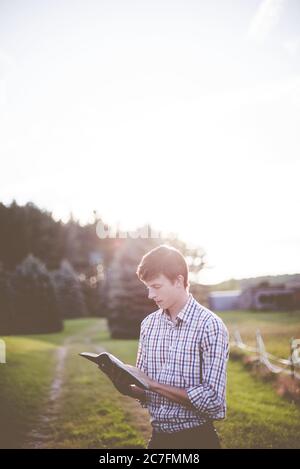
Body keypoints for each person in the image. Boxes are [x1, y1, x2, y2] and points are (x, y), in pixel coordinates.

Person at [115, 244, 229, 449]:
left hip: (198, 440)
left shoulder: (210, 326)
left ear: (179, 281)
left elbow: (213, 401)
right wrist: (127, 388)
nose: (150, 295)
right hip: (158, 440)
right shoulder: (148, 325)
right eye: (147, 287)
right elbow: (145, 389)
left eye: (156, 286)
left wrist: (154, 385)